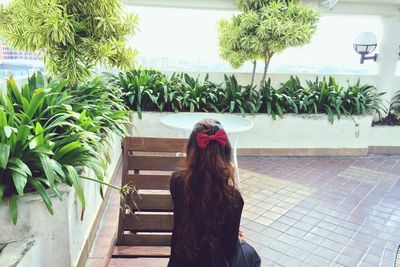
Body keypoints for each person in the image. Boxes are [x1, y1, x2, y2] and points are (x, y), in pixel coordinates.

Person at [168, 119, 261, 267]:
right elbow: (230, 250)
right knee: (251, 255)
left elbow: (194, 216)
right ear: (225, 154)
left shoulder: (177, 182)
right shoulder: (233, 198)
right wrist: (235, 235)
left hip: (180, 262)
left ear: (191, 151)